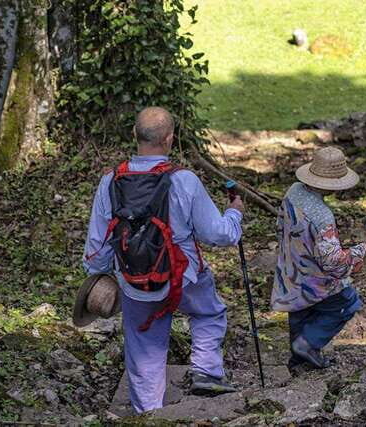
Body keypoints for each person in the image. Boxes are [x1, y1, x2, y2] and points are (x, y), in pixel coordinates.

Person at [82, 107, 245, 413]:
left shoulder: (111, 181)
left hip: (133, 279)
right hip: (183, 277)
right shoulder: (184, 181)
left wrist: (100, 275)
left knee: (144, 344)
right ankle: (206, 371)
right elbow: (218, 234)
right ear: (170, 139)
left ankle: (149, 413)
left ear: (134, 134)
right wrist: (235, 213)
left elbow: (98, 242)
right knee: (208, 313)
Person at [272, 146, 366, 370]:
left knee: (300, 312)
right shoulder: (322, 216)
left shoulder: (293, 191)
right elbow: (333, 263)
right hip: (316, 279)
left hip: (292, 269)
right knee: (347, 302)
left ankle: (299, 362)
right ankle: (307, 344)